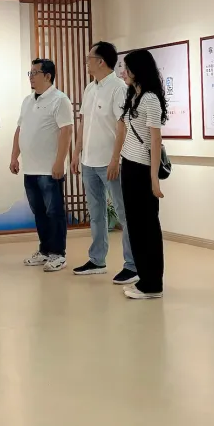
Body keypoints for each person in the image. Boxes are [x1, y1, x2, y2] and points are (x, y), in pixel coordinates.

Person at [71, 41, 138, 284]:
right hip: (89, 161)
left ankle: (132, 265)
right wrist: (76, 152)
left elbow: (122, 127)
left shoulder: (118, 88)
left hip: (110, 162)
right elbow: (83, 123)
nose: (86, 62)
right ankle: (97, 260)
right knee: (96, 213)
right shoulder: (90, 88)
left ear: (101, 61)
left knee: (123, 213)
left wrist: (115, 159)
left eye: (89, 58)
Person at [10, 59, 74, 272]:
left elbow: (66, 131)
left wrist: (59, 162)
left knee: (54, 212)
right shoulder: (28, 101)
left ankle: (58, 254)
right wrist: (14, 156)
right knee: (38, 211)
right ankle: (45, 250)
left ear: (47, 76)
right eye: (30, 72)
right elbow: (20, 129)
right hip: (30, 168)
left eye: (35, 73)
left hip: (49, 169)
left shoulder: (60, 100)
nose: (31, 77)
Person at [117, 49, 167, 299]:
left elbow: (155, 140)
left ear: (138, 70)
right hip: (129, 165)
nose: (123, 73)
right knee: (135, 226)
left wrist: (154, 178)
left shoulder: (150, 99)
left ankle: (153, 283)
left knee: (147, 227)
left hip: (143, 169)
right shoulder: (134, 96)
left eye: (126, 68)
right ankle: (144, 279)